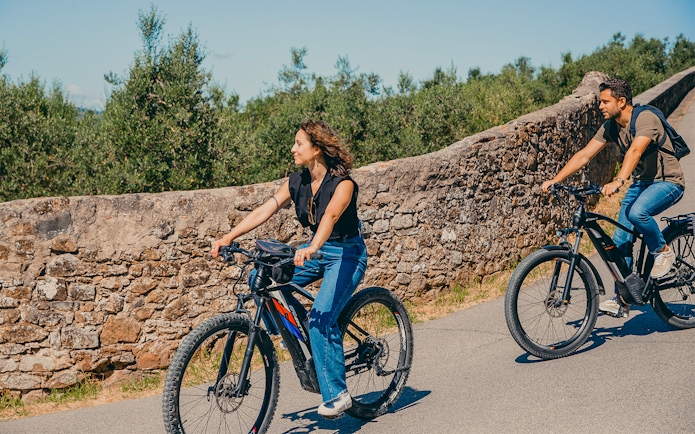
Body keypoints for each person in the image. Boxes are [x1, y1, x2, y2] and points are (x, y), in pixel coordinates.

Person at [211, 119, 368, 418]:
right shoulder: (297, 182)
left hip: (347, 254)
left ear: (317, 149)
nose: (293, 148)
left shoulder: (344, 184)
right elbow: (265, 209)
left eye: (299, 143)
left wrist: (312, 246)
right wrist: (228, 237)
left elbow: (331, 216)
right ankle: (296, 330)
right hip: (316, 251)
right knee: (261, 277)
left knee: (321, 319)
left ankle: (339, 393)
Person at [541, 78, 685, 318]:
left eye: (605, 101)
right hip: (641, 184)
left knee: (638, 212)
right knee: (618, 243)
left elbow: (635, 151)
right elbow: (585, 154)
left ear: (621, 101)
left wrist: (619, 180)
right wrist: (556, 179)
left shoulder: (645, 119)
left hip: (667, 182)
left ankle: (662, 251)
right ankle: (623, 299)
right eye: (600, 102)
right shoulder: (611, 126)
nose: (600, 106)